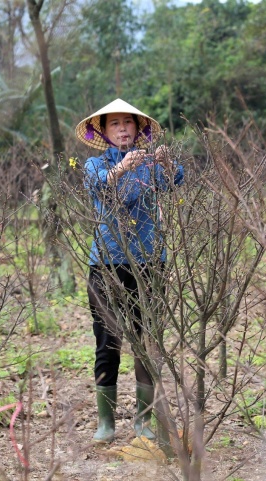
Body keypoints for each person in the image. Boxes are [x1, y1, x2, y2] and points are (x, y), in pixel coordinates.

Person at [74, 99, 184, 443]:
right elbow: (99, 188)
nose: (122, 129)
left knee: (146, 341)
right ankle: (106, 423)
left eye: (128, 123)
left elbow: (177, 178)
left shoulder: (149, 165)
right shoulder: (95, 164)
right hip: (106, 264)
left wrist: (165, 162)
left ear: (138, 130)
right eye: (114, 124)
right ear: (104, 133)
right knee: (108, 342)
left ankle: (143, 421)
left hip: (149, 262)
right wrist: (122, 167)